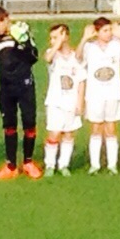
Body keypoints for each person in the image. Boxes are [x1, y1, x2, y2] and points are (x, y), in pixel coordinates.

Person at [0, 6, 42, 180]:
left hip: (25, 85)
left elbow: (34, 57)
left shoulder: (21, 32)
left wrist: (23, 42)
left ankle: (28, 162)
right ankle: (11, 166)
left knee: (29, 123)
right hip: (6, 88)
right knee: (9, 125)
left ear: (6, 19)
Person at [76, 17, 120, 175]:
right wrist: (84, 38)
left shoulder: (116, 45)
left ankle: (112, 165)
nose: (108, 34)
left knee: (111, 128)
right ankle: (95, 164)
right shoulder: (89, 47)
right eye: (105, 31)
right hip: (94, 94)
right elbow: (78, 58)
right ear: (97, 32)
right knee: (96, 128)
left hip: (113, 93)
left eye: (109, 30)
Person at [42, 24, 86, 176]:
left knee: (69, 134)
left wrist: (80, 102)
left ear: (66, 36)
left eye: (56, 37)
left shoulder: (76, 57)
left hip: (71, 102)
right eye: (52, 38)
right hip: (55, 102)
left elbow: (81, 81)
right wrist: (57, 45)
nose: (52, 41)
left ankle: (63, 165)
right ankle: (50, 164)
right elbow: (47, 58)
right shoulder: (52, 54)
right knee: (54, 133)